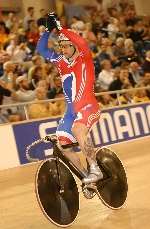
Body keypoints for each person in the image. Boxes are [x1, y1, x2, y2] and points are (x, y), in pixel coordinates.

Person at [37, 12, 103, 184]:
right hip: (71, 112)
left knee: (78, 130)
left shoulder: (85, 58)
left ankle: (95, 168)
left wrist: (60, 28)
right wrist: (47, 30)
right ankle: (85, 177)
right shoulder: (60, 61)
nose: (63, 50)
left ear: (74, 46)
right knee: (62, 145)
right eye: (61, 47)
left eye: (66, 46)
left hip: (88, 106)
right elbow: (42, 50)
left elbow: (80, 41)